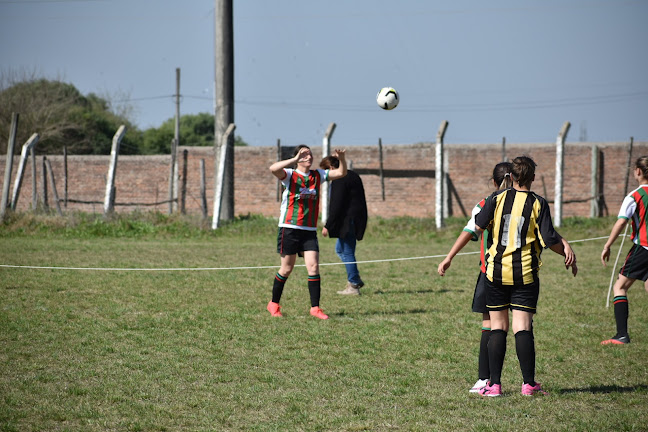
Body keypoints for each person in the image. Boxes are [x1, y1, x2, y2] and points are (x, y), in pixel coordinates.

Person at [438, 156, 577, 397]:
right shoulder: (539, 203)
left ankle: (494, 385)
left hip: (495, 273)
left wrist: (450, 256)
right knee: (523, 327)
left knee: (498, 327)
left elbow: (476, 228)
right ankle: (529, 384)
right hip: (525, 274)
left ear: (511, 177)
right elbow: (549, 238)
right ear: (533, 178)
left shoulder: (495, 199)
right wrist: (565, 249)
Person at [267, 145, 347, 320]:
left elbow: (341, 173)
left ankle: (315, 308)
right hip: (289, 228)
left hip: (309, 230)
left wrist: (341, 158)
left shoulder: (317, 175)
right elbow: (273, 168)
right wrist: (295, 160)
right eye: (304, 154)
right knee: (287, 268)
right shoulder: (289, 175)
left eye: (310, 154)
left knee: (314, 267)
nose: (309, 157)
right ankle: (273, 304)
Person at [600, 156, 648, 345]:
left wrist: (607, 245)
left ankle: (621, 335)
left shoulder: (635, 196)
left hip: (643, 248)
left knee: (619, 287)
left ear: (637, 171)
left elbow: (621, 221)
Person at [319, 155, 368, 295]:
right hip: (356, 219)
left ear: (331, 168)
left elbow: (336, 205)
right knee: (340, 250)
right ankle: (355, 278)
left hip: (348, 221)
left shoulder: (339, 179)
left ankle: (353, 285)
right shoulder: (353, 175)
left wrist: (327, 225)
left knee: (346, 252)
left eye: (326, 171)